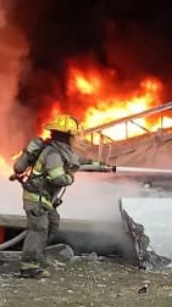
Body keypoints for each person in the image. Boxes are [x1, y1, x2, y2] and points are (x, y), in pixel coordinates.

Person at [11, 113, 115, 278]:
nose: (76, 139)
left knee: (52, 224)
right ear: (67, 136)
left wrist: (99, 166)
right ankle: (29, 267)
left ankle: (36, 255)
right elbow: (58, 178)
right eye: (74, 136)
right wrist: (71, 177)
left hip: (44, 198)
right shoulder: (53, 153)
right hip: (36, 199)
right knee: (39, 229)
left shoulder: (61, 150)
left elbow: (77, 161)